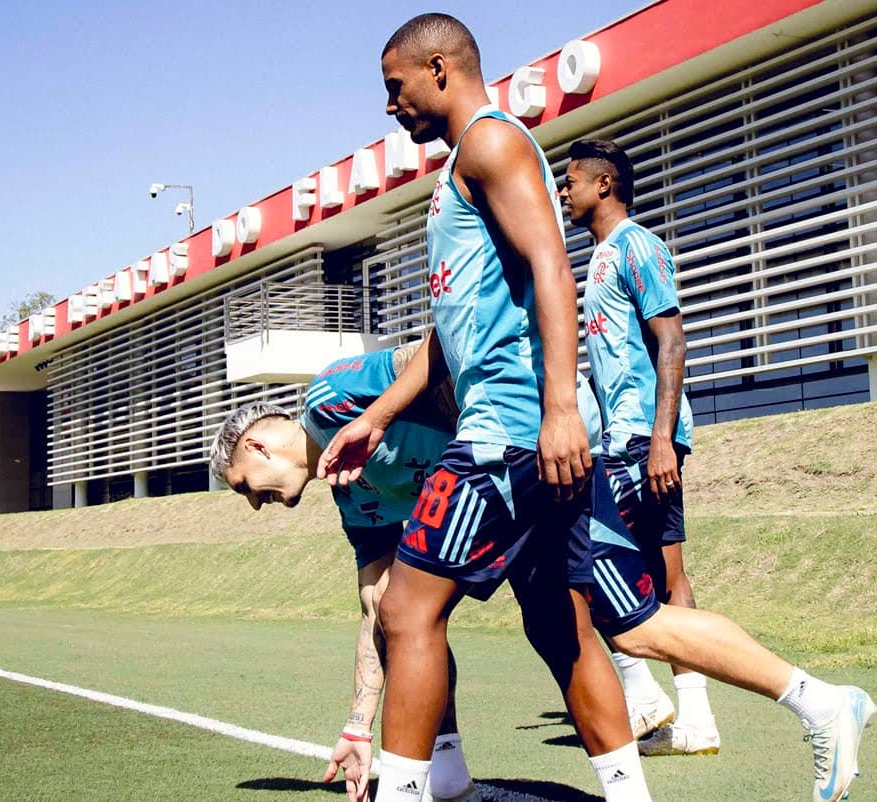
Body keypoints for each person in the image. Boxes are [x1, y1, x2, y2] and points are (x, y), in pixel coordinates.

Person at [319, 13, 650, 802]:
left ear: (439, 68)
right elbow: (450, 330)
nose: (389, 106)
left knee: (405, 607)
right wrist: (377, 415)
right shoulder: (460, 168)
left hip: (508, 432)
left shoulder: (491, 144)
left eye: (395, 87)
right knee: (556, 622)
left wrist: (562, 406)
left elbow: (551, 266)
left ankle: (406, 792)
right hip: (519, 431)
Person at [560, 138, 877, 801]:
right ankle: (688, 715)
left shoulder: (637, 245)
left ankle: (716, 706)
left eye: (573, 180)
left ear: (606, 183)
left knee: (619, 587)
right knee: (634, 587)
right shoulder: (596, 258)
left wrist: (662, 440)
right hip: (621, 441)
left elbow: (672, 338)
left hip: (641, 441)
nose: (564, 191)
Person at [209, 345, 478, 802]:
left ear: (255, 446)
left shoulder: (328, 394)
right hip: (491, 505)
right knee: (400, 610)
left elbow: (431, 352)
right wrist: (357, 728)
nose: (254, 503)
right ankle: (448, 772)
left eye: (244, 487)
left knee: (602, 621)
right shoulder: (353, 499)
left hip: (524, 454)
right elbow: (375, 607)